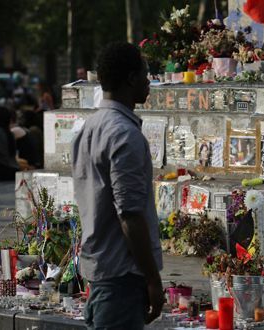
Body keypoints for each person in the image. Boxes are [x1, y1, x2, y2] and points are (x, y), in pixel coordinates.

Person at [72, 42, 164, 329]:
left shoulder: (88, 128)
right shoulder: (125, 135)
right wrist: (153, 280)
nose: (150, 81)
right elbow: (130, 216)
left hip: (100, 272)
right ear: (130, 78)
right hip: (121, 279)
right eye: (146, 73)